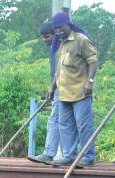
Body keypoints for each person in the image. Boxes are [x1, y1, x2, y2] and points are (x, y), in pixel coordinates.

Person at [49, 11, 98, 167]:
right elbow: (59, 69)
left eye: (60, 27)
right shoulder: (61, 43)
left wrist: (89, 81)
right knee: (64, 125)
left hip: (80, 92)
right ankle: (69, 155)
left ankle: (88, 156)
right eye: (55, 29)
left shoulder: (81, 40)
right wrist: (52, 87)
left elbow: (93, 61)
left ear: (68, 25)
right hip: (63, 92)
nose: (58, 31)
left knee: (83, 126)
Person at [27, 21, 63, 165]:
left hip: (67, 89)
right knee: (56, 120)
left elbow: (61, 72)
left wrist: (53, 88)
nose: (45, 40)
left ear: (56, 34)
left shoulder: (63, 46)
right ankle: (53, 153)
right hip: (58, 89)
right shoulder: (53, 48)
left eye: (47, 36)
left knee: (60, 121)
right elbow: (55, 72)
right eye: (43, 37)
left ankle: (57, 154)